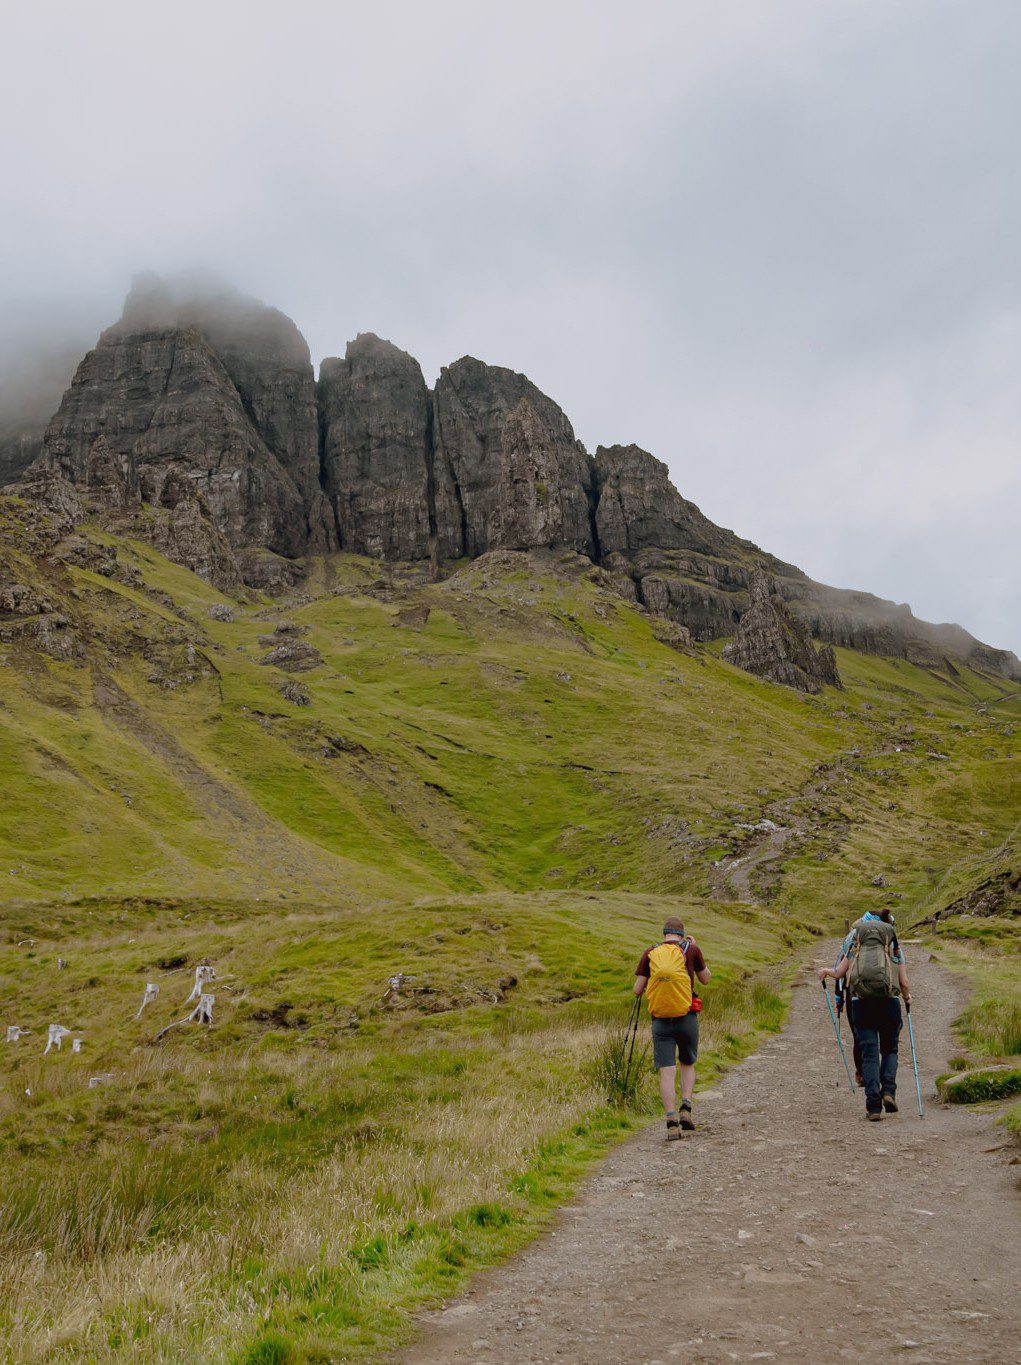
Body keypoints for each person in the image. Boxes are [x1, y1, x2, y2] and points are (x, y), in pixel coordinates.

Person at [819, 909, 911, 1121]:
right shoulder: (894, 947)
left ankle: (873, 1106)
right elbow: (904, 982)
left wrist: (824, 971)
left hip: (861, 1005)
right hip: (889, 1003)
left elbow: (839, 973)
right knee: (890, 1050)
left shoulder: (855, 945)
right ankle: (889, 1092)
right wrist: (907, 998)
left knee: (869, 1054)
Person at [634, 916, 711, 1139]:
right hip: (687, 1017)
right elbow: (706, 979)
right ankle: (685, 1108)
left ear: (664, 933)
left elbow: (637, 989)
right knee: (687, 1062)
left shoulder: (651, 953)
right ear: (681, 933)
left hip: (660, 1022)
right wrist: (696, 949)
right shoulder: (692, 949)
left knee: (666, 1071)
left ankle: (671, 1122)